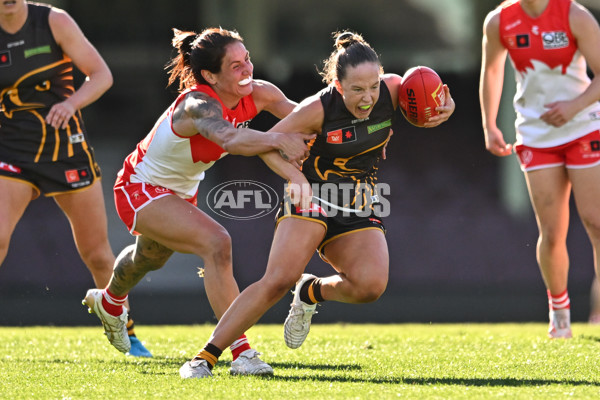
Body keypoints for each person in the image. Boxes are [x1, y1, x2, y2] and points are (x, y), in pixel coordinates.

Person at [179, 30, 455, 379]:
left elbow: (431, 94)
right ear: (338, 86)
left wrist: (447, 106)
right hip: (311, 196)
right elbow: (269, 145)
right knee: (278, 280)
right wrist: (295, 179)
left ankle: (311, 291)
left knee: (370, 286)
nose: (368, 97)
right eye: (357, 90)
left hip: (357, 201)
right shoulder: (317, 109)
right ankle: (204, 358)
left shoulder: (396, 88)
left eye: (373, 86)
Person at [81, 27, 313, 375]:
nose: (248, 69)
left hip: (180, 190)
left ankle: (111, 301)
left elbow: (311, 117)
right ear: (209, 75)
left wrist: (362, 122)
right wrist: (280, 140)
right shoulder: (198, 105)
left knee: (149, 258)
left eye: (247, 59)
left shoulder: (260, 92)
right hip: (139, 186)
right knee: (217, 244)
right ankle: (242, 353)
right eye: (236, 66)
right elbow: (231, 138)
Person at [0, 1, 151, 357]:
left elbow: (101, 75)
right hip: (11, 150)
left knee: (97, 255)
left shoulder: (53, 21)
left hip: (64, 148)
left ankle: (126, 333)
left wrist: (71, 104)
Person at [480, 0, 600, 338]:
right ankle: (559, 314)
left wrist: (573, 106)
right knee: (551, 231)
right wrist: (489, 124)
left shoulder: (575, 15)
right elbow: (491, 70)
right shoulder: (498, 21)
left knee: (596, 222)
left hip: (584, 128)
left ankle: (598, 315)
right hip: (535, 134)